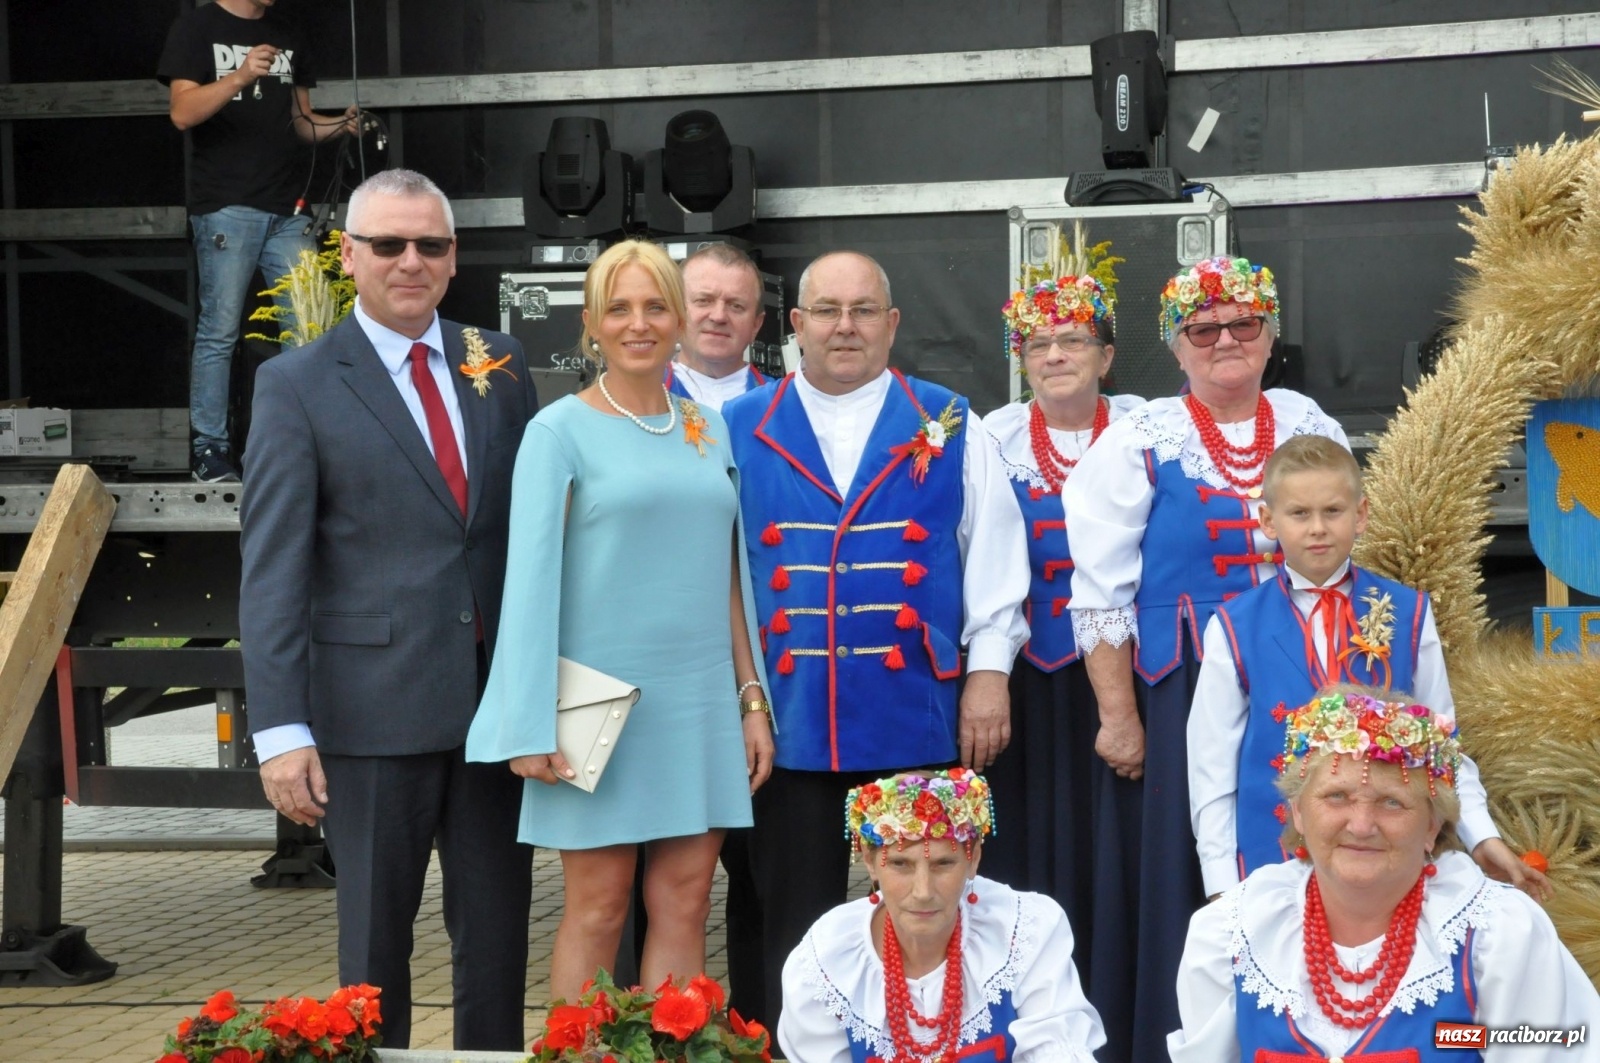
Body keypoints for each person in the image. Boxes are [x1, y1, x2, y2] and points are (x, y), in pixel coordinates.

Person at [240, 169, 537, 1050]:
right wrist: (282, 730)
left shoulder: (502, 366)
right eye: (389, 244)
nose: (411, 261)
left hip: (493, 713)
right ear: (349, 254)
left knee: (496, 936)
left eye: (431, 244)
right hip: (369, 713)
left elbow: (522, 535)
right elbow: (272, 569)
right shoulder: (296, 383)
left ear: (453, 258)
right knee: (373, 946)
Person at [722, 250, 1030, 1030]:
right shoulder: (733, 427)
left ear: (892, 325)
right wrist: (741, 697)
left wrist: (988, 674)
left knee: (920, 920)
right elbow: (716, 575)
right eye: (827, 309)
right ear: (795, 326)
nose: (845, 326)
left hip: (912, 717)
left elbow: (993, 556)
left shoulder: (952, 419)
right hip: (786, 724)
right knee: (783, 922)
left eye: (864, 310)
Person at [466, 238, 775, 1002]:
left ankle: (672, 1054)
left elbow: (730, 576)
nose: (639, 323)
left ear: (677, 318)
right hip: (594, 704)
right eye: (619, 308)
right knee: (599, 908)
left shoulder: (709, 426)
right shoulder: (557, 432)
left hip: (700, 701)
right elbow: (529, 584)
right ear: (592, 325)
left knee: (686, 903)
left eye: (655, 305)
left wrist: (751, 696)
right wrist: (528, 721)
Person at [1060, 255, 1344, 1062]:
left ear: (1269, 333)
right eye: (1203, 328)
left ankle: (1311, 1028)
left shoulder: (1305, 422)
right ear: (1175, 346)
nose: (1226, 340)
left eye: (1244, 324)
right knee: (1190, 867)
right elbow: (1100, 594)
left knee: (1309, 841)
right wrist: (1118, 716)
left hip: (1303, 678)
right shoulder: (1142, 439)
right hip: (1177, 693)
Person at [1188, 434, 1548, 904]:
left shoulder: (1407, 612)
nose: (1317, 528)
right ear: (1268, 521)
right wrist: (1221, 881)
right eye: (1299, 513)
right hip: (1271, 859)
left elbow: (1442, 743)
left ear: (1360, 515)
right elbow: (1211, 767)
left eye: (1333, 511)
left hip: (1384, 849)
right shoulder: (1234, 625)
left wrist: (1481, 836)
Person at [1169, 690, 1600, 1061]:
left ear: (1433, 825)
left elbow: (1554, 1043)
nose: (1361, 825)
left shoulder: (1497, 935)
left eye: (1392, 803)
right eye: (1336, 797)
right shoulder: (1233, 935)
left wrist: (1456, 1037)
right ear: (1298, 812)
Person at [978, 271, 1143, 1057]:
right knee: (1027, 847)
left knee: (1117, 851)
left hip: (1121, 679)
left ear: (1107, 354)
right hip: (1028, 680)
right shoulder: (991, 435)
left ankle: (1118, 1010)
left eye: (1072, 339)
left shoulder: (1147, 428)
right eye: (1037, 343)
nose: (1054, 355)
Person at [158, 0, 359, 483]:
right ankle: (209, 449)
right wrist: (240, 77)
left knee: (311, 329)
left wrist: (344, 124)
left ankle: (309, 446)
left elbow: (301, 121)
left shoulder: (287, 30)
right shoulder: (198, 26)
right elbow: (182, 112)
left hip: (288, 208)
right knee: (220, 331)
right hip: (227, 204)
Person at [779, 768, 1106, 1063]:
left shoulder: (1021, 931)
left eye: (943, 864)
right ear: (869, 859)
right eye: (900, 864)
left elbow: (1056, 1049)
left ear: (973, 858)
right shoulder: (827, 963)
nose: (922, 891)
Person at [665, 243, 768, 410]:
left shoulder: (785, 405)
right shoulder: (638, 399)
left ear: (756, 325)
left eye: (736, 306)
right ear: (676, 310)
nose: (718, 316)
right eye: (704, 301)